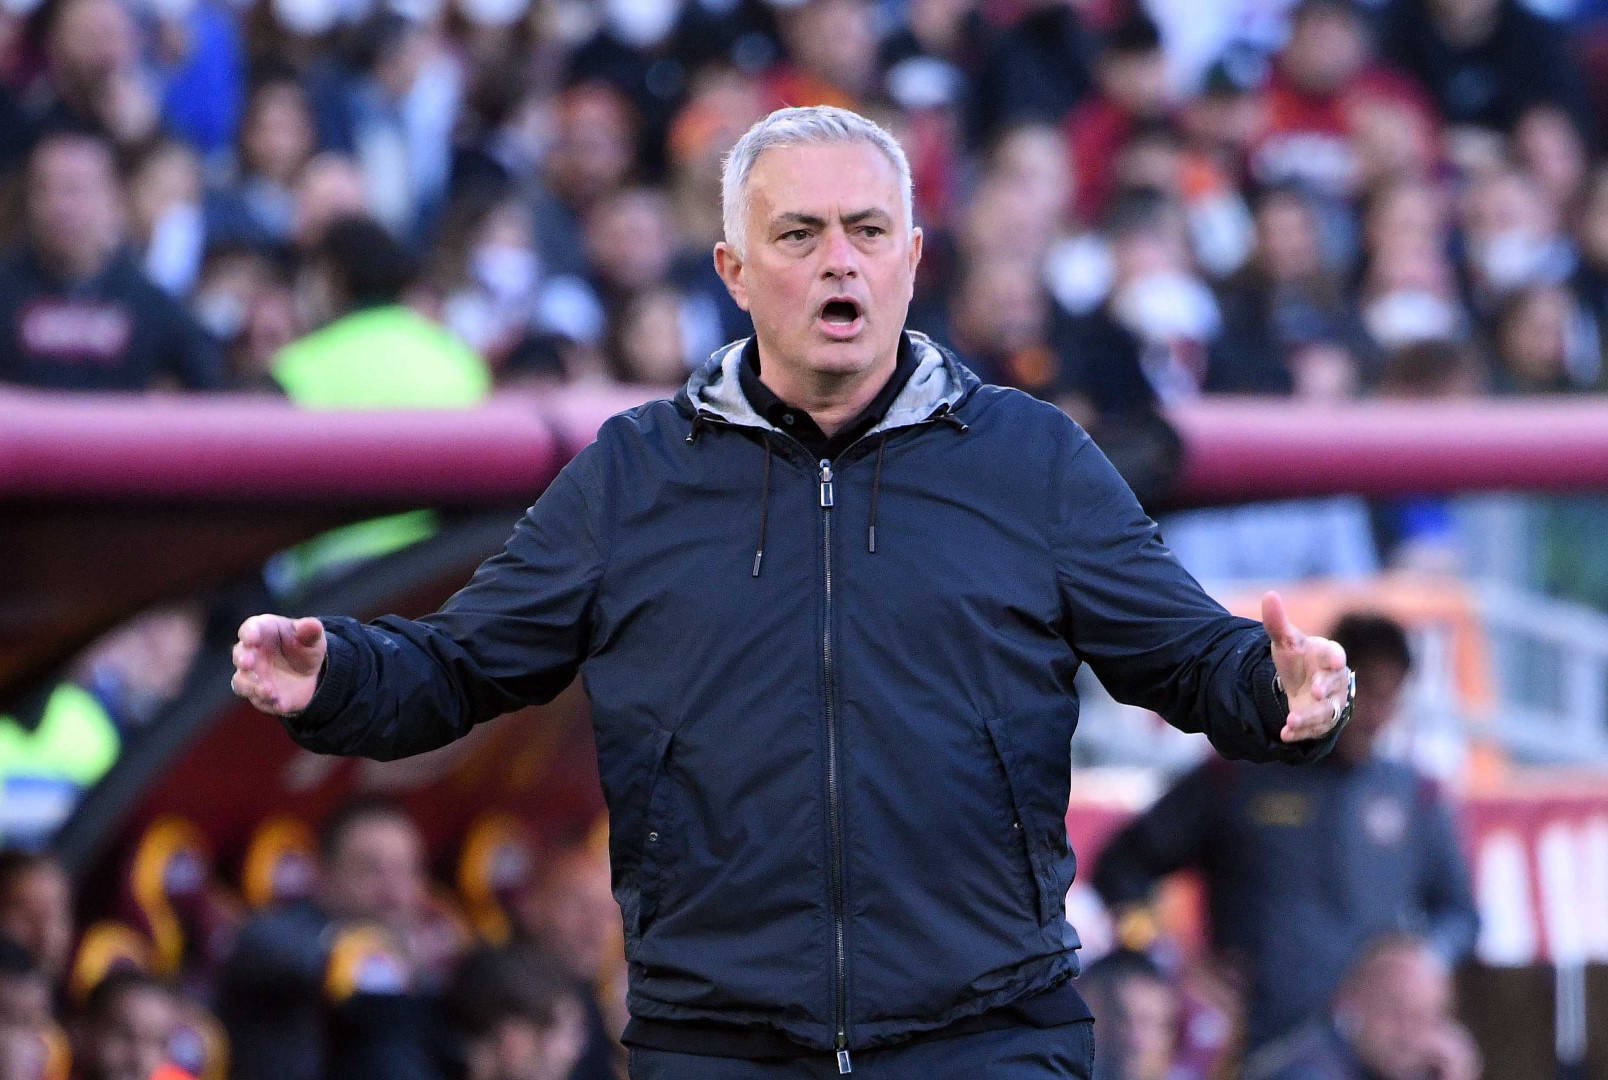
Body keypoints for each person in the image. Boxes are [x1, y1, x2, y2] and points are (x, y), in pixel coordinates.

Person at [230, 106, 1356, 1078]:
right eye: (800, 234)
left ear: (912, 257)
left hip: (990, 1032)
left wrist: (1278, 692)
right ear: (732, 270)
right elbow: (463, 664)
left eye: (867, 231)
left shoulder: (1035, 461)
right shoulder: (633, 477)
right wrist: (340, 676)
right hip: (719, 1041)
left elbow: (1186, 654)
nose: (840, 262)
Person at [1093, 613, 1478, 1055]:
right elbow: (1120, 867)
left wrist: (1425, 958)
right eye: (1367, 691)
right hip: (1253, 1044)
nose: (1375, 714)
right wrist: (1173, 961)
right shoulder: (1237, 776)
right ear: (1328, 683)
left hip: (1369, 1053)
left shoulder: (1416, 796)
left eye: (1390, 697)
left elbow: (1461, 916)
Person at [215, 797, 437, 1080]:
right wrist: (358, 956)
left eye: (407, 868)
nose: (394, 889)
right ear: (323, 873)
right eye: (372, 869)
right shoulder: (275, 937)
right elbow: (270, 949)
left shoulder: (420, 956)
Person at [0, 130, 225, 391]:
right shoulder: (6, 291)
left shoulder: (148, 302)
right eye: (44, 189)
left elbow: (210, 388)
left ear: (113, 198)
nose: (58, 206)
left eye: (73, 190)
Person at [1242, 936, 1481, 1080]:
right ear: (1349, 1002)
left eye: (1426, 1018)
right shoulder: (1307, 1073)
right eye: (1395, 1011)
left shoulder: (1387, 1069)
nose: (1410, 1034)